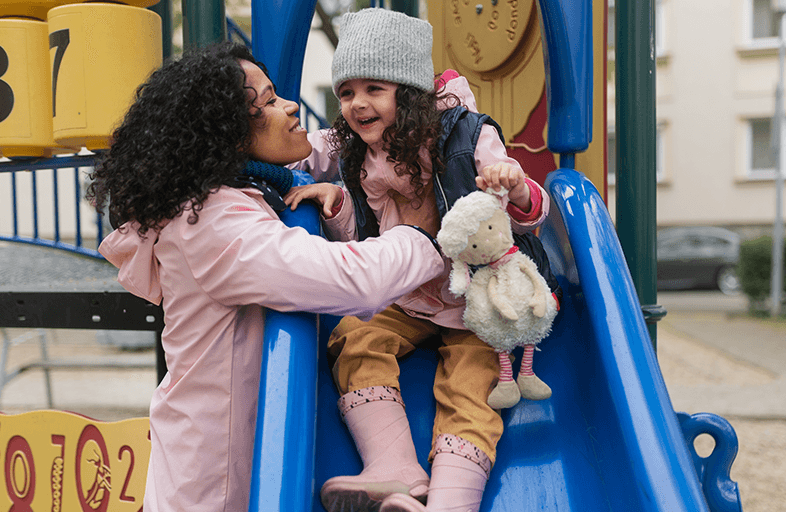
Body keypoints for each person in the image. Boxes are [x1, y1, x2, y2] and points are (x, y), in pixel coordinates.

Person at [88, 42, 447, 512]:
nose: (290, 106)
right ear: (229, 135)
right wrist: (427, 234)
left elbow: (318, 165)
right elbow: (352, 280)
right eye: (269, 103)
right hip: (213, 481)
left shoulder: (242, 189)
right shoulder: (214, 227)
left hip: (223, 453)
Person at [284, 8, 554, 512]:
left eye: (374, 89)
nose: (357, 103)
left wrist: (514, 187)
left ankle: (450, 501)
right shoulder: (357, 153)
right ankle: (394, 470)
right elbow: (365, 228)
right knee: (354, 338)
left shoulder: (465, 137)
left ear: (407, 93)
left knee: (471, 390)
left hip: (477, 304)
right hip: (410, 297)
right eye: (346, 92)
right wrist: (337, 203)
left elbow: (524, 221)